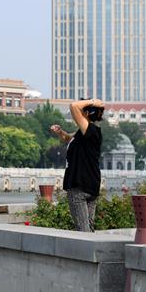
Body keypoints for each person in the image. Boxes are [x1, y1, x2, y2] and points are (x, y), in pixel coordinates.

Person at [50, 98, 104, 232]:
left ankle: (86, 252)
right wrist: (60, 132)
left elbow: (74, 106)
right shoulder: (85, 133)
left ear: (86, 113)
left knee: (82, 230)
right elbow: (68, 138)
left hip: (79, 185)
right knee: (88, 228)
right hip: (91, 185)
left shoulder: (90, 130)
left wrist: (93, 102)